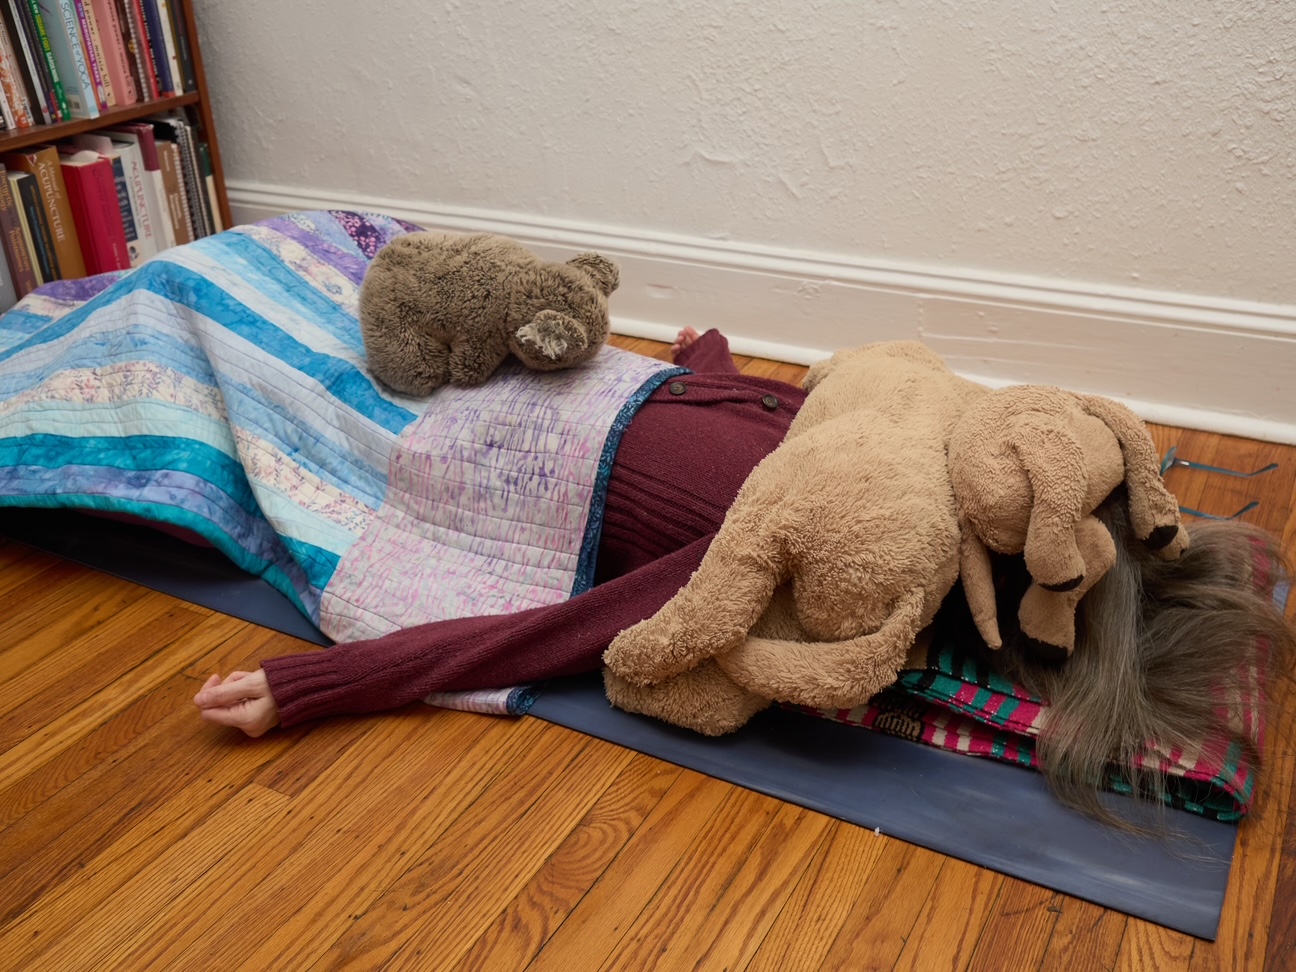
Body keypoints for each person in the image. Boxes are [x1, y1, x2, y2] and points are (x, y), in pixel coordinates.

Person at [194, 328, 1294, 825]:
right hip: (598, 368)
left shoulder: (828, 544)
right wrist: (704, 362)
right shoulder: (908, 439)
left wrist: (322, 686)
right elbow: (766, 409)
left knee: (245, 360)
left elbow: (566, 630)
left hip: (487, 440)